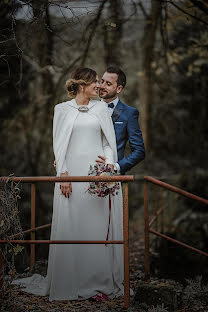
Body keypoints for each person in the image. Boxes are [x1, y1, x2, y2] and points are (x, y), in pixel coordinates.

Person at [12, 68, 124, 301]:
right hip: (70, 179)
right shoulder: (61, 109)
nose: (99, 87)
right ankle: (71, 281)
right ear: (83, 85)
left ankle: (97, 281)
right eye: (95, 83)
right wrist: (63, 174)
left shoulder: (101, 108)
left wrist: (109, 164)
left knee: (95, 229)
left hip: (95, 178)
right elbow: (58, 145)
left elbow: (108, 142)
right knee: (72, 226)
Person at [96, 66, 145, 174]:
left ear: (119, 89)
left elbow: (139, 151)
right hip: (86, 173)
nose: (102, 86)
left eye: (108, 84)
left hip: (112, 179)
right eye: (102, 81)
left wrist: (116, 167)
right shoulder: (89, 109)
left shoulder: (129, 114)